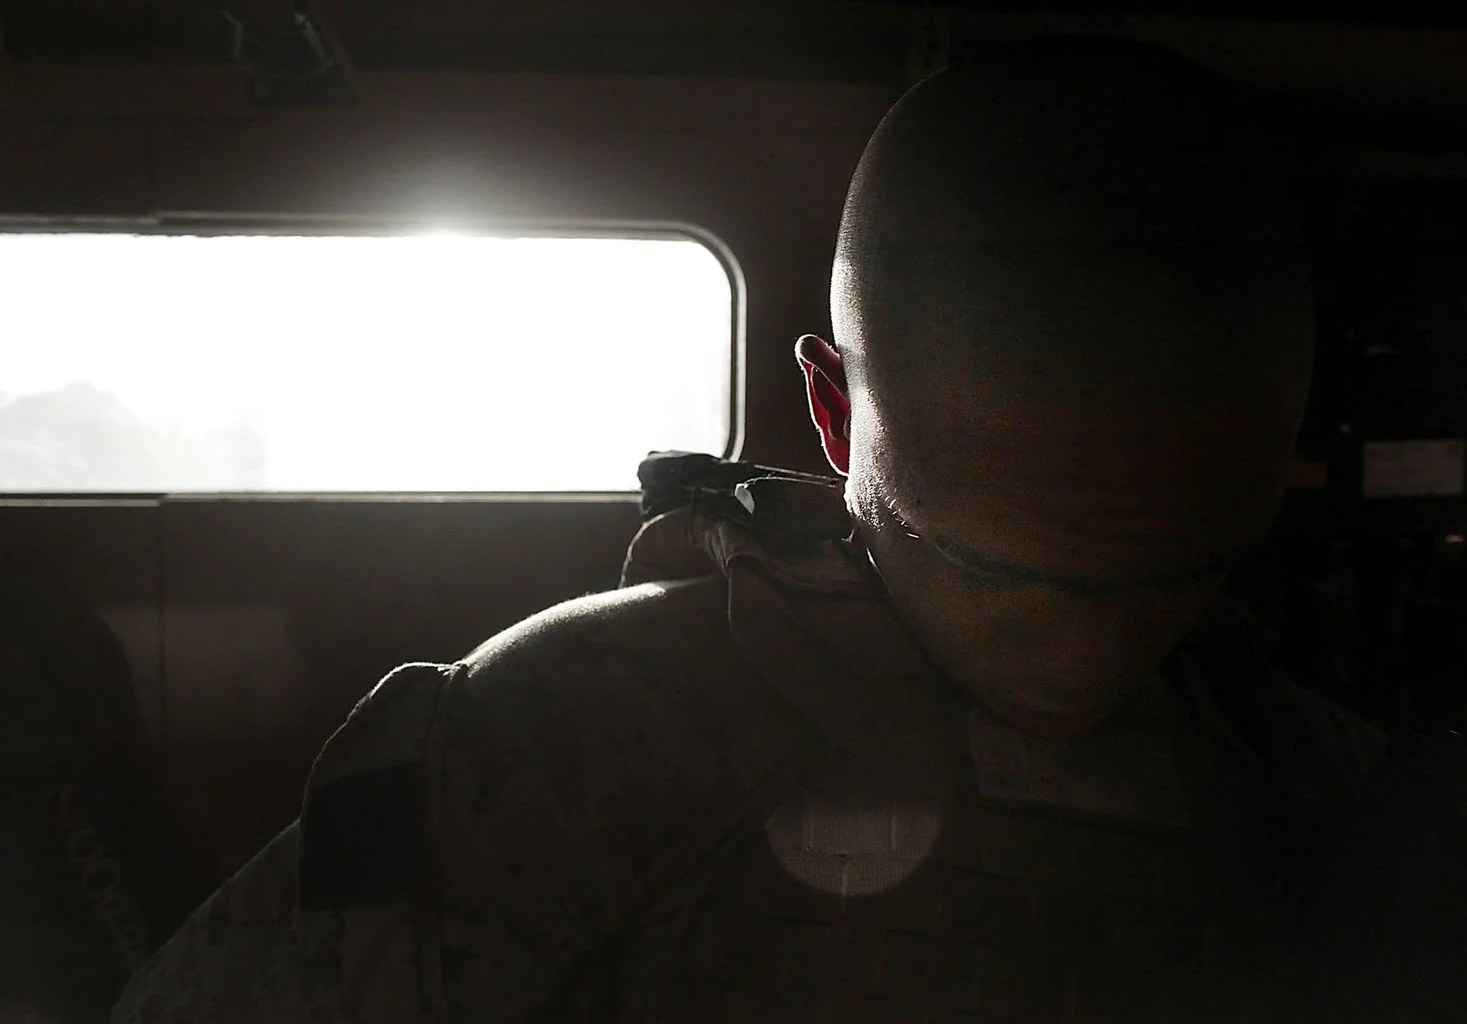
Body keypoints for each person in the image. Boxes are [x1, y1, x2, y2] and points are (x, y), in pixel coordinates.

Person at [111, 36, 1397, 1023]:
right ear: (834, 411)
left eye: (1173, 577)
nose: (1085, 657)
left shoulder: (1325, 791)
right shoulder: (552, 738)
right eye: (1001, 573)